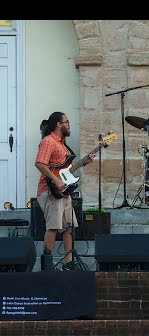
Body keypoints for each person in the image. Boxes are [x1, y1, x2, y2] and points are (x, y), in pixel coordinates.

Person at [35, 112, 95, 270]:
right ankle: (47, 265)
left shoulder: (63, 144)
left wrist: (85, 162)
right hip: (50, 192)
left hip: (63, 192)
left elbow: (68, 168)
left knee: (69, 228)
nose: (69, 125)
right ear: (58, 125)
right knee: (53, 227)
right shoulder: (48, 141)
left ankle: (69, 264)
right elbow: (40, 164)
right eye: (66, 122)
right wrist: (56, 180)